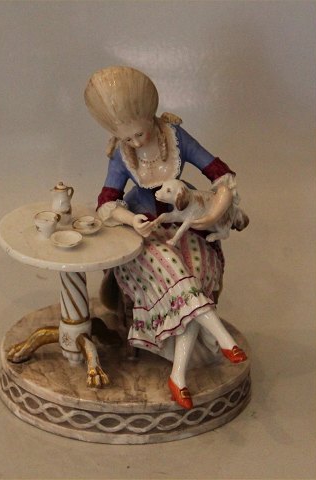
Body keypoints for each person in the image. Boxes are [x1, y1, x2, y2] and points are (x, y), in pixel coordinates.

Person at [84, 66, 247, 409]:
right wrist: (132, 219)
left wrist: (211, 216)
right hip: (144, 235)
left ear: (151, 118)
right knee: (173, 271)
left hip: (184, 221)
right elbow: (107, 202)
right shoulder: (122, 154)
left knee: (195, 273)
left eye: (139, 134)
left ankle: (178, 376)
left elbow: (222, 176)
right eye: (126, 138)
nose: (134, 143)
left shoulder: (175, 137)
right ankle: (223, 340)